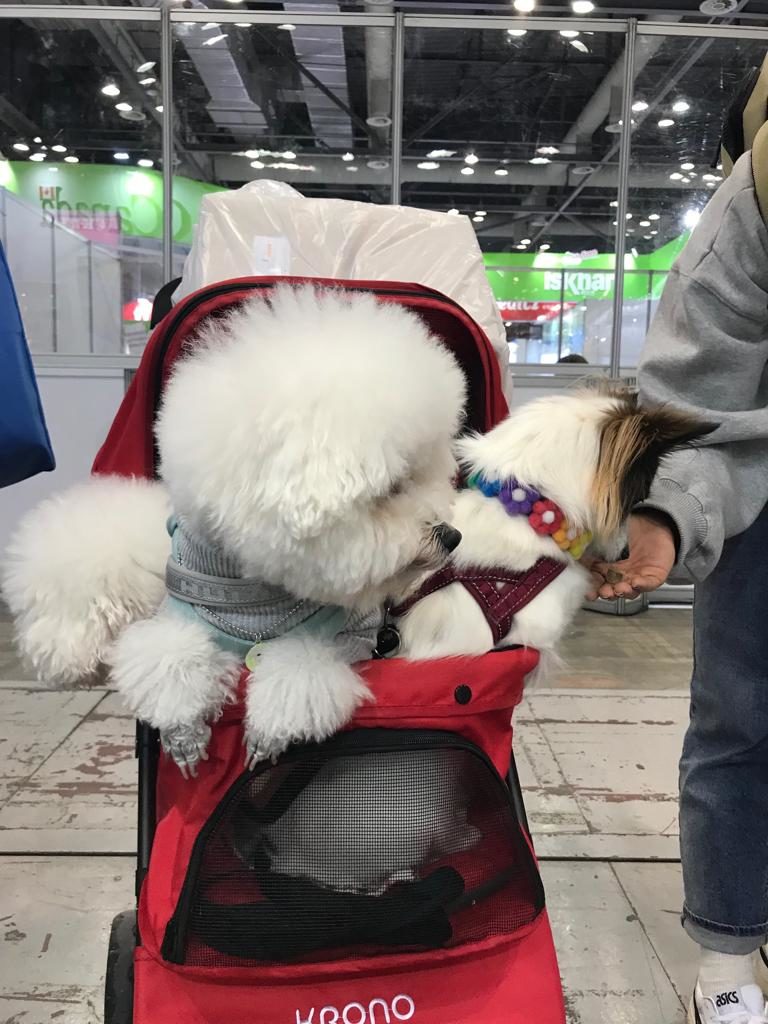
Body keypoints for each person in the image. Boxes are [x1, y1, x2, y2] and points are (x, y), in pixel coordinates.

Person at [589, 59, 768, 1024]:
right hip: (762, 494)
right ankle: (730, 962)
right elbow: (699, 405)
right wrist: (664, 519)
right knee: (743, 717)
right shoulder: (755, 205)